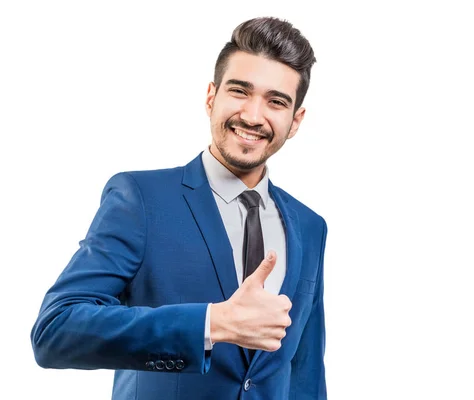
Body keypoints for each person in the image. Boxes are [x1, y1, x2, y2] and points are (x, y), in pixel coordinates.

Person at [30, 16, 328, 400]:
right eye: (240, 91)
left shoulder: (309, 226)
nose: (253, 116)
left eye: (276, 101)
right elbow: (55, 330)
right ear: (211, 96)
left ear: (295, 120)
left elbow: (304, 373)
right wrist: (211, 322)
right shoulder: (141, 197)